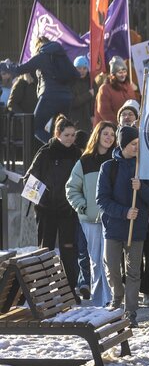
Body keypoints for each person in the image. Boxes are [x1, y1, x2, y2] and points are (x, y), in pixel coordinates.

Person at [96, 126, 149, 327]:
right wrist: (124, 212)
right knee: (113, 268)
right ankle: (117, 298)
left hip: (137, 228)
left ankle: (130, 311)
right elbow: (102, 200)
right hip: (114, 228)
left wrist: (141, 188)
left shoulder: (144, 167)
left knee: (134, 271)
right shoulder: (108, 167)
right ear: (123, 145)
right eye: (133, 144)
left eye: (138, 145)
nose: (136, 148)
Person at [26, 115, 82, 289]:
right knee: (45, 250)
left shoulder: (77, 153)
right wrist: (43, 202)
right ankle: (43, 289)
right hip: (46, 212)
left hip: (68, 211)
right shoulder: (45, 152)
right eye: (67, 135)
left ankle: (70, 290)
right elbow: (29, 180)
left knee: (68, 252)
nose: (70, 139)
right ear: (58, 133)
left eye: (73, 135)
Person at [66, 121, 116, 307]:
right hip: (91, 220)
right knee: (95, 260)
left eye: (112, 134)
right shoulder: (85, 161)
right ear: (98, 135)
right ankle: (98, 299)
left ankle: (110, 299)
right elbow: (71, 188)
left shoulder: (117, 160)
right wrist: (83, 207)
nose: (109, 137)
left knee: (109, 261)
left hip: (113, 218)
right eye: (106, 133)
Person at [11, 36, 80, 143]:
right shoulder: (62, 56)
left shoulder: (42, 56)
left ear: (38, 47)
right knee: (59, 129)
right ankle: (63, 154)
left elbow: (19, 69)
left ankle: (55, 148)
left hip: (49, 97)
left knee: (34, 127)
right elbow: (76, 75)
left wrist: (5, 65)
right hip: (66, 98)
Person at [95, 57, 136, 126]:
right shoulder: (105, 89)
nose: (123, 75)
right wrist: (118, 124)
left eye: (124, 72)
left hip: (127, 126)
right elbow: (104, 112)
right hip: (109, 128)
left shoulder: (129, 86)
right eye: (120, 73)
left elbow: (134, 105)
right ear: (113, 74)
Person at [69, 56, 94, 133]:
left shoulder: (91, 82)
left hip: (89, 120)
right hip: (76, 120)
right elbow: (72, 102)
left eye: (84, 68)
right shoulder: (70, 83)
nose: (82, 71)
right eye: (79, 68)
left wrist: (93, 115)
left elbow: (95, 101)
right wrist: (88, 94)